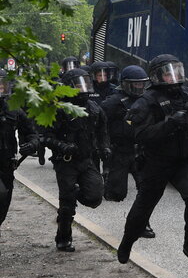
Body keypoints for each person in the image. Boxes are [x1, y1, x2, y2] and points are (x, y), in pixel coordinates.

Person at [116, 54, 188, 272]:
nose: (173, 76)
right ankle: (127, 241)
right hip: (156, 162)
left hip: (183, 161)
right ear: (157, 76)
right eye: (168, 72)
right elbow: (140, 135)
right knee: (144, 206)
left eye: (176, 71)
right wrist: (169, 124)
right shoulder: (146, 101)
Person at [43, 69, 109, 252]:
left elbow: (103, 131)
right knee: (66, 206)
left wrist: (104, 147)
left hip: (86, 161)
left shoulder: (94, 108)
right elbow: (45, 137)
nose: (83, 88)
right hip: (66, 162)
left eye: (85, 83)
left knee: (95, 196)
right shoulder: (58, 109)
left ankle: (78, 192)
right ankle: (63, 238)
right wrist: (62, 146)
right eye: (78, 84)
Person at [100, 65, 155, 238]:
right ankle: (106, 182)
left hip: (141, 152)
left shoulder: (148, 100)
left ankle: (142, 224)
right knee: (116, 194)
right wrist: (104, 144)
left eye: (141, 84)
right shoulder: (113, 102)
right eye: (135, 84)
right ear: (125, 84)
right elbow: (99, 122)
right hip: (120, 152)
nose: (139, 88)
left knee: (146, 191)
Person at [0, 69, 39, 243]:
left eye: (3, 84)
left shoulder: (14, 109)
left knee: (3, 204)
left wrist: (31, 145)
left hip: (6, 165)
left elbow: (33, 133)